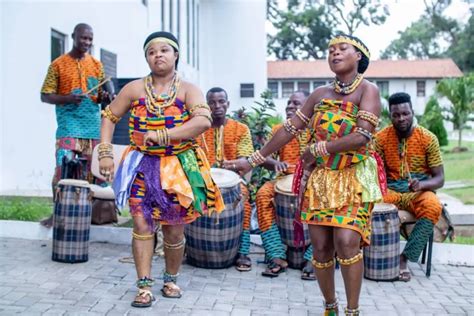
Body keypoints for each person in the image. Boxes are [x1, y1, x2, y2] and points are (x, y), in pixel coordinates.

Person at [226, 34, 382, 316]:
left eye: (342, 49)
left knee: (347, 242)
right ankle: (330, 307)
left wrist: (318, 149)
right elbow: (289, 129)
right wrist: (253, 160)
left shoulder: (368, 91)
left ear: (358, 55)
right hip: (322, 179)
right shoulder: (319, 95)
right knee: (321, 249)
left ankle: (353, 311)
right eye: (331, 49)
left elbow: (361, 136)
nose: (334, 53)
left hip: (353, 176)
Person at [99, 31, 224, 308]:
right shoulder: (133, 89)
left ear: (175, 55)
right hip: (142, 165)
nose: (158, 55)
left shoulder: (189, 89)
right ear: (147, 58)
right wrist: (105, 152)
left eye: (164, 50)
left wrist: (165, 135)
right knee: (142, 222)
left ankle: (170, 279)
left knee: (173, 229)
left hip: (178, 167)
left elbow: (203, 120)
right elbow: (109, 116)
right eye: (152, 51)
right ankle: (144, 286)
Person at [40, 23, 111, 228]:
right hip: (69, 126)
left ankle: (91, 215)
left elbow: (105, 93)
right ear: (73, 36)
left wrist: (105, 96)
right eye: (83, 38)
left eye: (90, 39)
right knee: (63, 168)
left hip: (92, 126)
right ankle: (58, 214)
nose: (87, 42)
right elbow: (45, 95)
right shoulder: (58, 65)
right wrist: (67, 98)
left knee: (94, 173)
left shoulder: (97, 65)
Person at [374, 92, 444, 282]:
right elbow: (376, 173)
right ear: (391, 116)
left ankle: (404, 258)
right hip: (392, 190)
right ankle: (377, 257)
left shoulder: (428, 138)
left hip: (419, 191)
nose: (401, 118)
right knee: (370, 203)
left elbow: (440, 178)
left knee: (433, 206)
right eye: (396, 115)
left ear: (412, 112)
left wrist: (421, 184)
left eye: (405, 113)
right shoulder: (381, 138)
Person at [255, 91, 315, 280]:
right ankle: (276, 255)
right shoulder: (278, 130)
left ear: (308, 108)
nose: (290, 106)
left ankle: (313, 258)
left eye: (296, 103)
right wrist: (274, 164)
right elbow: (264, 157)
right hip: (283, 180)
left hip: (313, 181)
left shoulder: (318, 130)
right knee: (263, 194)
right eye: (288, 103)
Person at [195, 87, 255, 272]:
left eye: (221, 102)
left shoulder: (240, 129)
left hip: (232, 183)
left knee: (243, 198)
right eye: (212, 102)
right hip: (201, 181)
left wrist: (230, 165)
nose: (217, 106)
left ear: (228, 104)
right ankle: (193, 249)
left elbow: (246, 159)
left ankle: (242, 252)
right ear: (207, 105)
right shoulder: (198, 129)